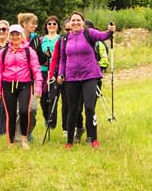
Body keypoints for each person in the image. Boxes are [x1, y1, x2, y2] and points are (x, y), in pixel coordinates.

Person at [47, 11, 114, 147]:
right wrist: (60, 74)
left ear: (83, 22)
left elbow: (104, 36)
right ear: (70, 23)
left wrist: (110, 31)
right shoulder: (65, 39)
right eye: (73, 21)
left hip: (89, 76)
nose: (76, 23)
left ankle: (94, 139)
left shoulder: (89, 33)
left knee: (89, 107)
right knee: (72, 110)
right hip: (71, 78)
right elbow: (63, 59)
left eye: (78, 20)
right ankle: (69, 142)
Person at [0, 26, 43, 148]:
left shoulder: (29, 51)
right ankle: (11, 141)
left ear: (22, 36)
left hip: (24, 85)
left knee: (25, 111)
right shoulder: (3, 53)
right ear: (9, 36)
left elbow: (36, 69)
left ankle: (24, 139)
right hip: (8, 85)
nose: (15, 37)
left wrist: (38, 86)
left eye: (18, 34)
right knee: (11, 114)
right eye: (13, 34)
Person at [16, 12, 41, 140]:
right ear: (24, 24)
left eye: (36, 23)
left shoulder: (36, 39)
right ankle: (18, 136)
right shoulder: (16, 37)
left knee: (33, 108)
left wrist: (46, 56)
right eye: (33, 23)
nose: (35, 26)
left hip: (32, 78)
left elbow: (40, 58)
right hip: (17, 78)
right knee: (20, 109)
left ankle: (28, 130)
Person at [36, 15, 61, 133]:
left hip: (55, 70)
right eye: (49, 24)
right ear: (46, 26)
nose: (51, 26)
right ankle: (46, 117)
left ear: (57, 26)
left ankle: (52, 122)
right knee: (43, 97)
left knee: (53, 96)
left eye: (54, 24)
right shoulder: (41, 40)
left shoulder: (60, 39)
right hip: (43, 70)